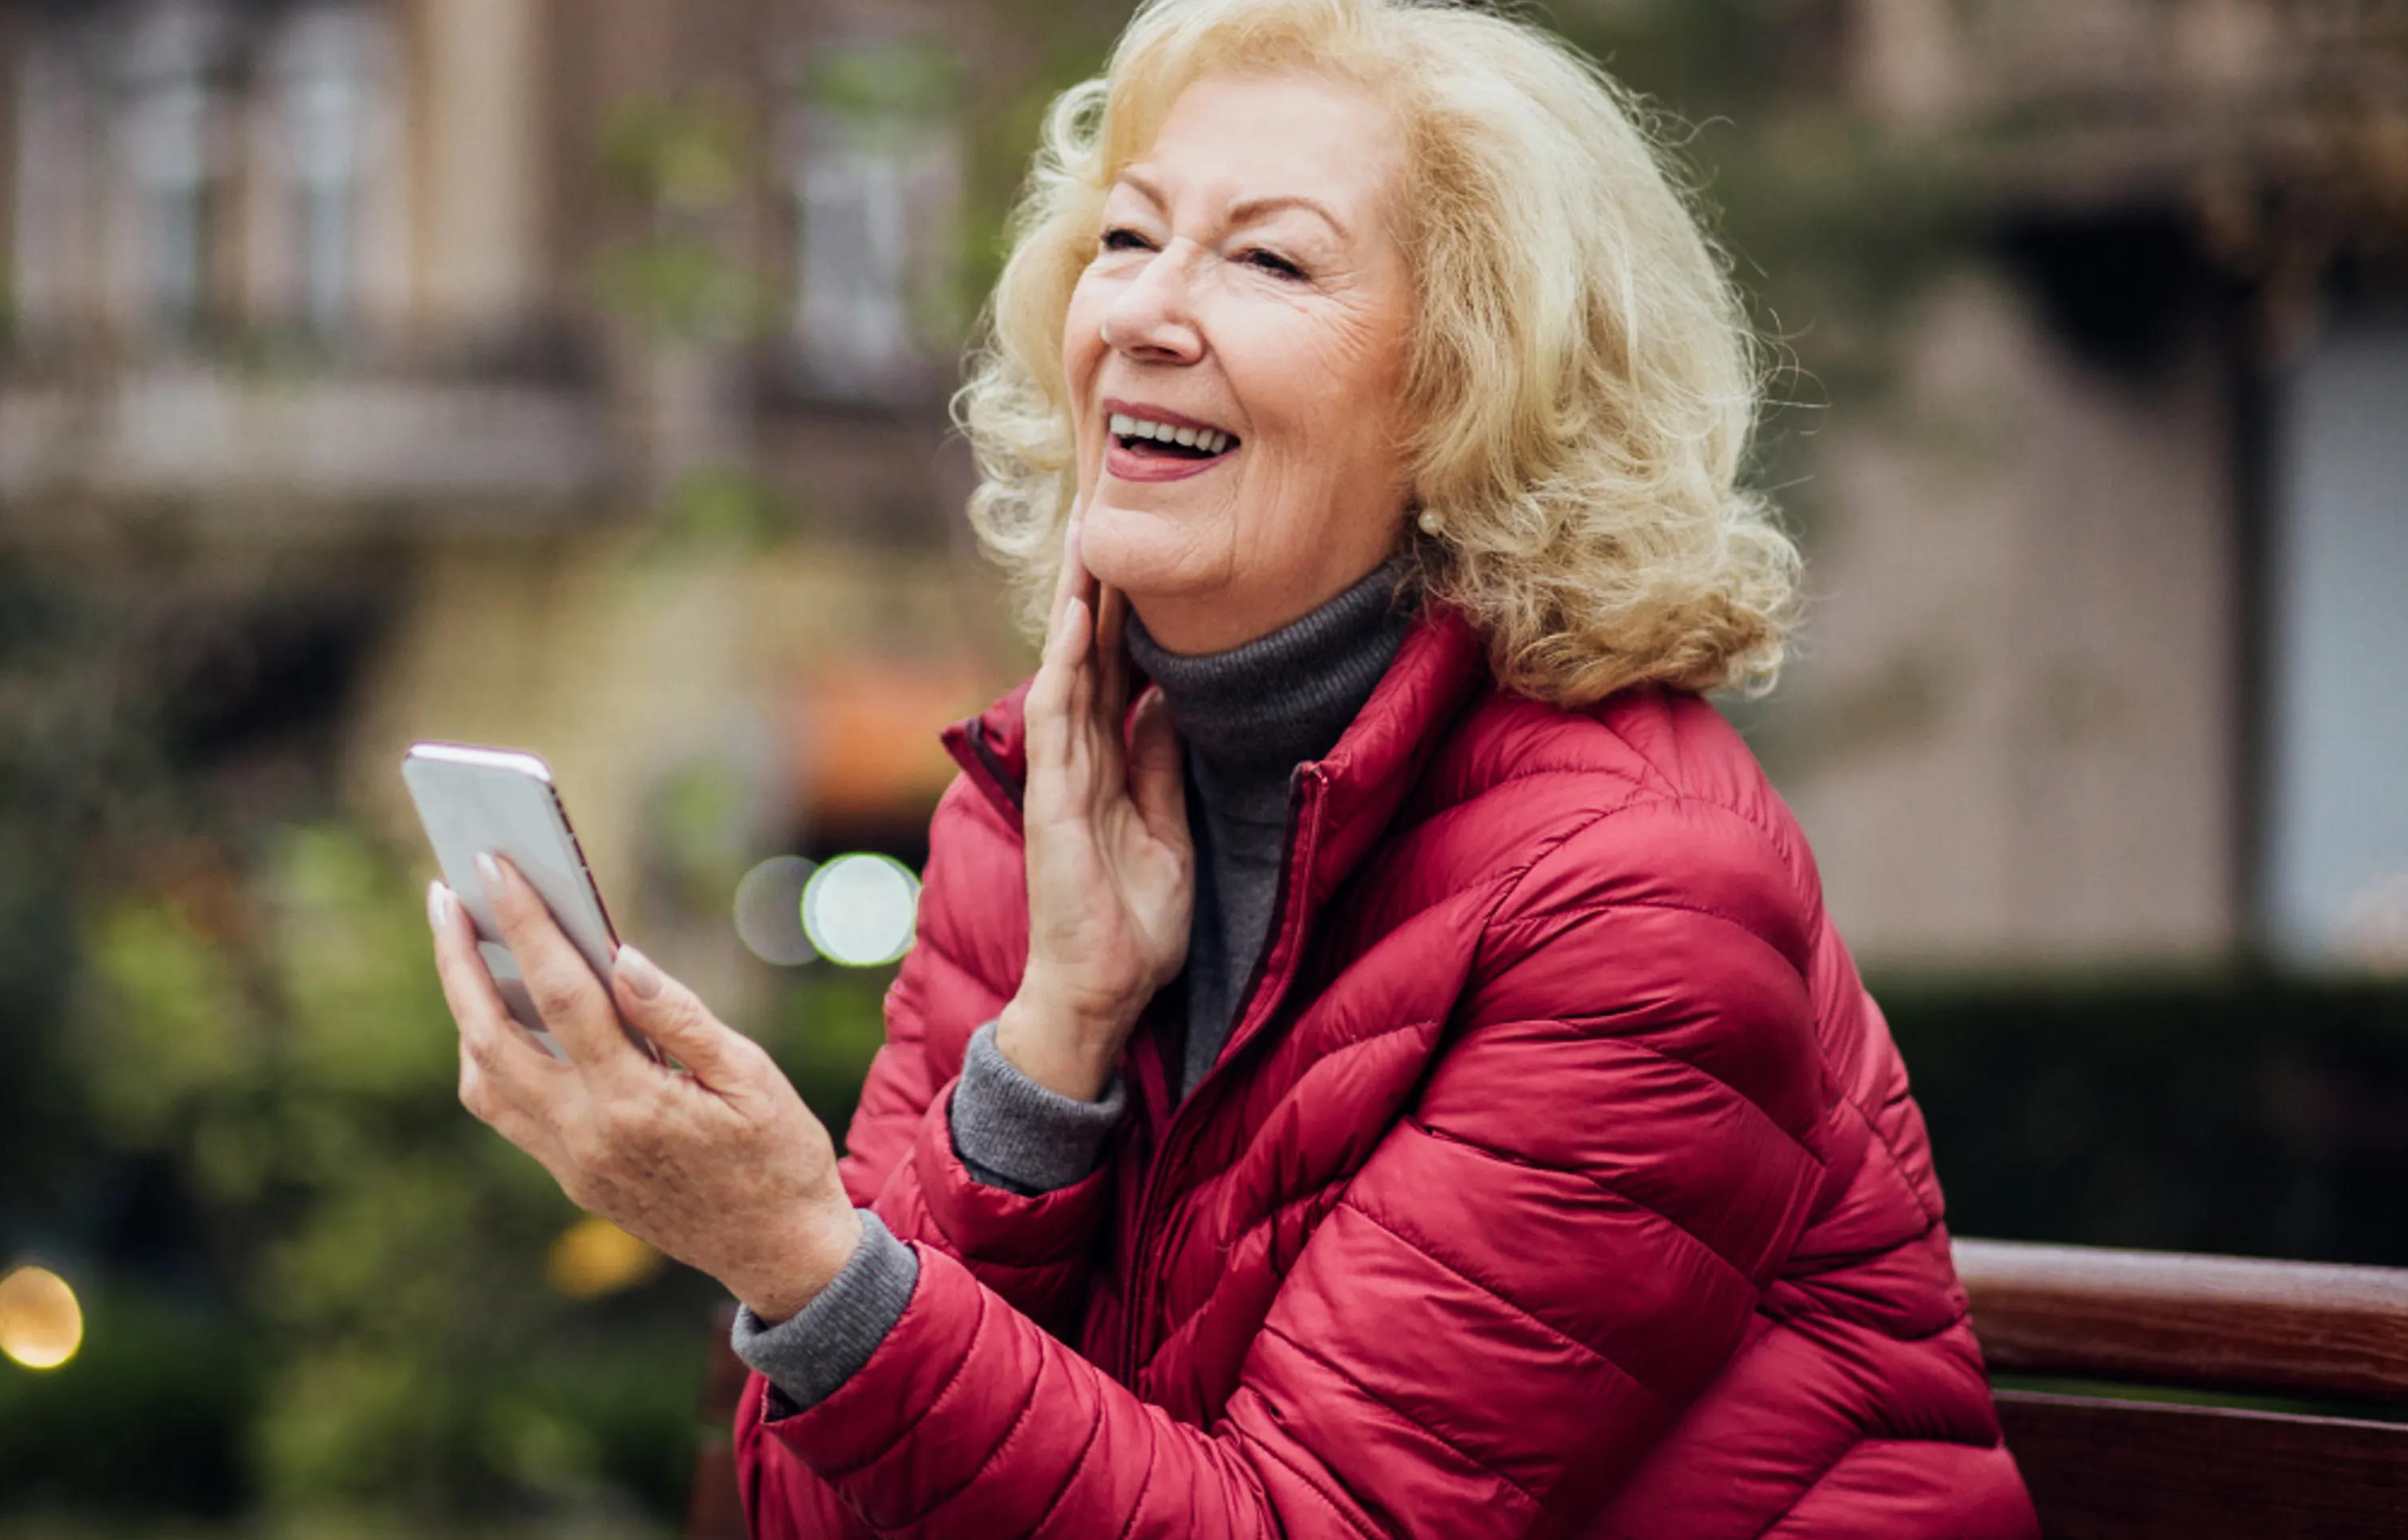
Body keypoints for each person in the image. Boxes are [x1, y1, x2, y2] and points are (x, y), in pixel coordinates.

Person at [427, 0, 2036, 1532]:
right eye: (1125, 240)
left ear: (1478, 389)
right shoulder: (1044, 809)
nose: (1138, 311)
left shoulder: (1643, 898)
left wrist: (796, 1251)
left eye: (1268, 259)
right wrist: (1051, 1045)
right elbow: (821, 1513)